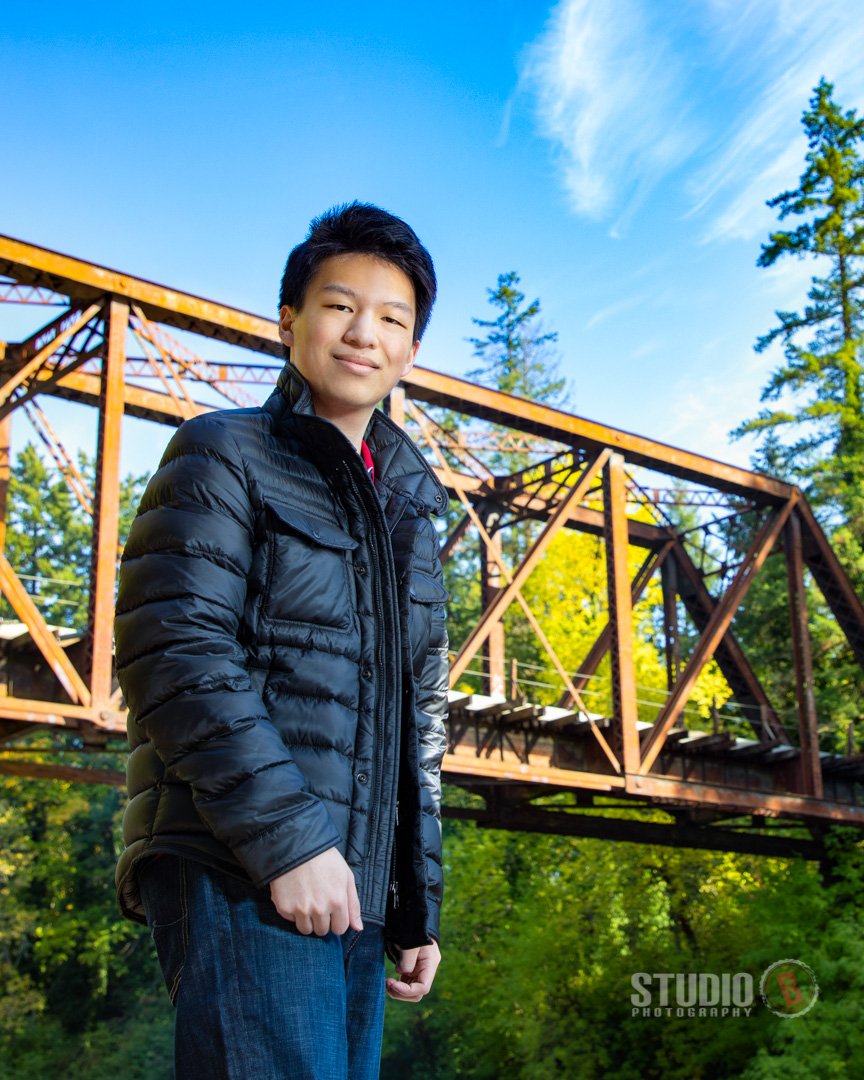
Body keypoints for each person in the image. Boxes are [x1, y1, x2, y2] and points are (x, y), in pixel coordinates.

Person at [114, 202, 449, 1079]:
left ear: (412, 350)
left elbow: (416, 719)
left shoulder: (410, 509)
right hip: (242, 862)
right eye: (339, 306)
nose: (364, 334)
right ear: (288, 321)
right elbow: (176, 651)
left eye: (392, 319)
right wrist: (290, 843)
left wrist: (415, 902)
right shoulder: (222, 452)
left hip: (355, 889)